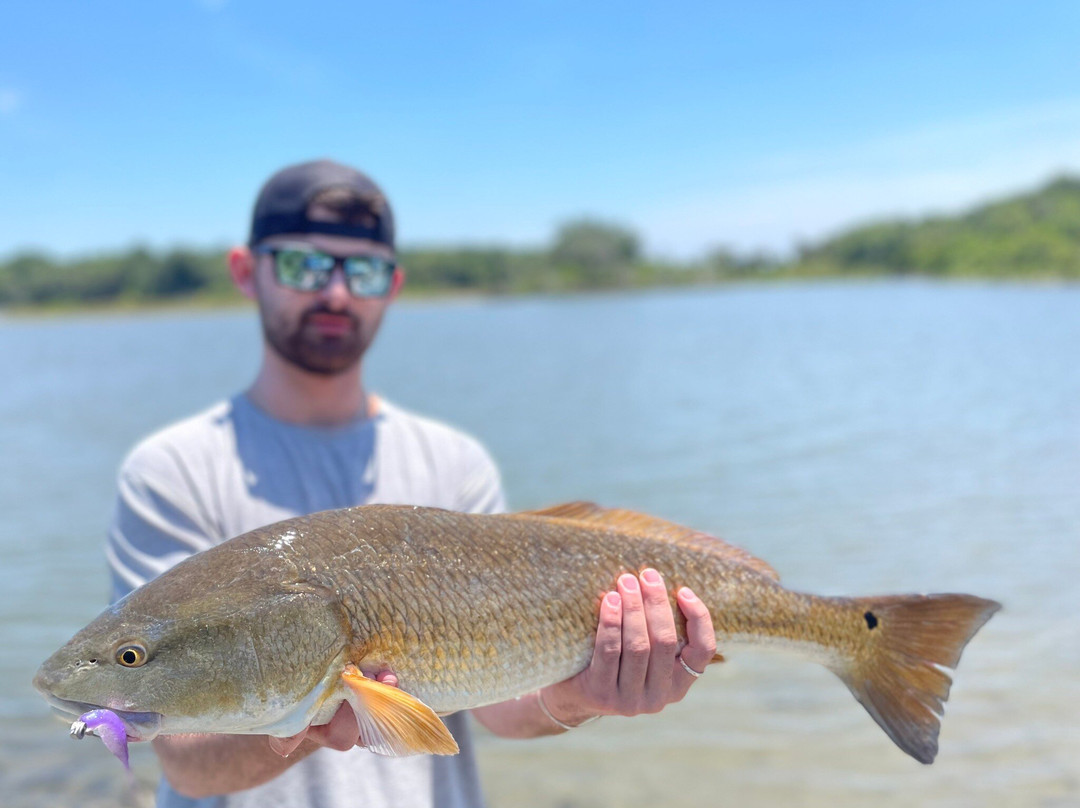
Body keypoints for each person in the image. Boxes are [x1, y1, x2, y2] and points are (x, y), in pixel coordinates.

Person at [106, 159, 717, 808]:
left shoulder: (454, 462)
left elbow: (497, 704)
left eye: (362, 270)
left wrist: (583, 693)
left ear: (392, 286)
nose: (336, 293)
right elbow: (186, 766)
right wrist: (310, 721)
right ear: (244, 271)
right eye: (302, 266)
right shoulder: (170, 471)